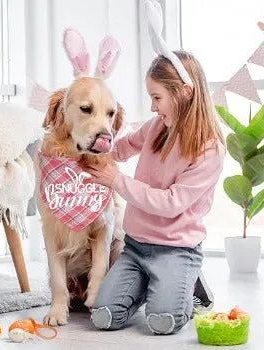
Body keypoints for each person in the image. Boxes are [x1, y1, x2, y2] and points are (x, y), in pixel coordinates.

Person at [83, 49, 225, 335]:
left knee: (163, 322)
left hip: (176, 249)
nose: (152, 107)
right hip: (136, 248)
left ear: (185, 92)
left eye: (157, 98)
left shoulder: (209, 149)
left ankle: (188, 282)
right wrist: (97, 150)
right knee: (103, 317)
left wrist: (116, 180)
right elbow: (125, 147)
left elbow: (172, 203)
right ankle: (156, 283)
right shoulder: (158, 126)